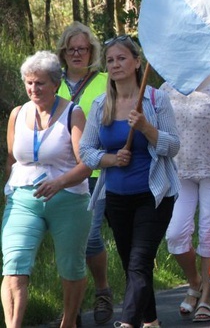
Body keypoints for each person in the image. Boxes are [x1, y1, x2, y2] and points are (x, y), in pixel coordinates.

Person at [80, 36, 180, 328]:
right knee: (132, 265)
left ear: (137, 62)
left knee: (139, 262)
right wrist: (110, 160)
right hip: (116, 198)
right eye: (110, 60)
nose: (115, 65)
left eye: (122, 58)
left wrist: (147, 128)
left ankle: (128, 322)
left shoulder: (155, 99)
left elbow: (173, 146)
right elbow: (86, 151)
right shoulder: (101, 105)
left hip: (154, 195)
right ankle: (151, 321)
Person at [2, 51, 91, 328]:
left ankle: (68, 322)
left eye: (40, 83)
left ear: (55, 83)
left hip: (68, 198)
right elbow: (11, 160)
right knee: (14, 265)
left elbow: (87, 164)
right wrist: (12, 189)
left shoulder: (73, 114)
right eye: (29, 82)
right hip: (23, 199)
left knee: (70, 266)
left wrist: (59, 183)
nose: (33, 89)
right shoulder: (17, 114)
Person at [162, 74, 210, 322]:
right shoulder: (166, 87)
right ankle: (195, 281)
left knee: (208, 233)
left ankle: (206, 297)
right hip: (180, 172)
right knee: (175, 235)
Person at [55, 21, 114, 325]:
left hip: (95, 171)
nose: (77, 53)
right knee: (70, 242)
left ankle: (102, 289)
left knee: (89, 238)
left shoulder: (105, 81)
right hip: (60, 174)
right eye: (71, 49)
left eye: (83, 48)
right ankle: (73, 310)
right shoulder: (53, 82)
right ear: (63, 52)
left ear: (92, 51)